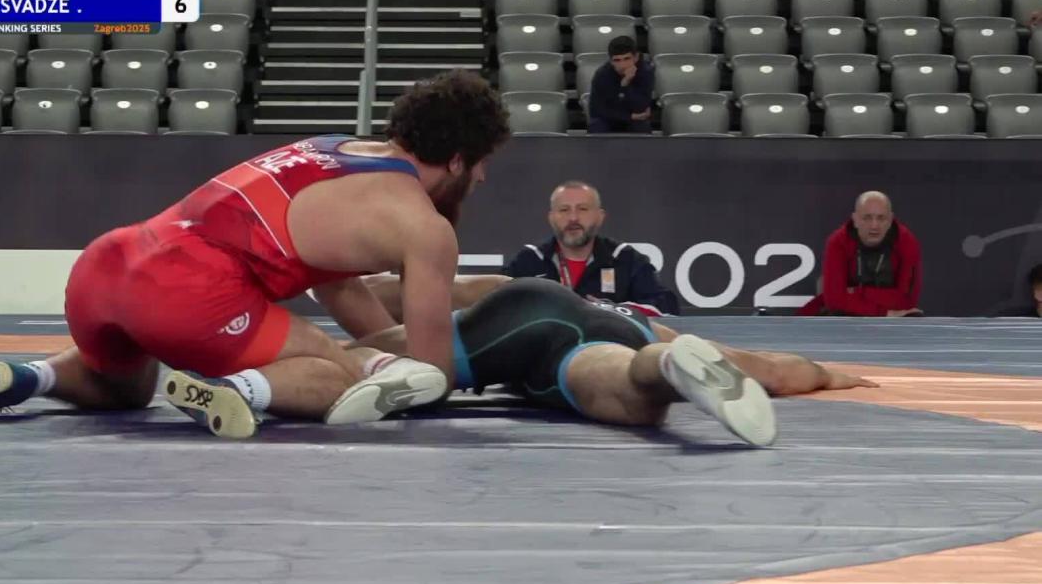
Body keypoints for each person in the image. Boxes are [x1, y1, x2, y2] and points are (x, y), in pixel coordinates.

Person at [0, 70, 512, 438]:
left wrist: (375, 347)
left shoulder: (331, 148)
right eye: (483, 165)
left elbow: (339, 285)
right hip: (191, 291)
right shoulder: (424, 227)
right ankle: (236, 390)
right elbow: (431, 372)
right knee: (341, 376)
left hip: (110, 264)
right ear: (459, 160)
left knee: (125, 389)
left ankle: (28, 377)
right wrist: (375, 364)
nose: (484, 180)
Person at [348, 278, 878, 446]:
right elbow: (772, 371)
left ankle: (370, 364)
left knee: (357, 360)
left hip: (522, 310)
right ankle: (669, 366)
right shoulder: (644, 322)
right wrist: (827, 375)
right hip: (621, 340)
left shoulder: (532, 286)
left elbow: (437, 291)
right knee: (634, 391)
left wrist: (351, 290)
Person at [501, 180, 679, 315]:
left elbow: (666, 307)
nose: (573, 218)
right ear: (551, 217)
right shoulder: (530, 260)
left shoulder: (625, 259)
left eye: (583, 209)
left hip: (608, 347)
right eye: (564, 210)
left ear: (600, 217)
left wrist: (613, 310)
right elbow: (497, 306)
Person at [797, 190, 923, 317]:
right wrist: (885, 313)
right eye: (867, 218)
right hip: (844, 316)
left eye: (881, 218)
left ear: (890, 220)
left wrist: (859, 292)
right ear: (855, 219)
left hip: (882, 316)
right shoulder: (838, 242)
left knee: (913, 316)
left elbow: (907, 300)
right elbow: (834, 301)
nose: (874, 225)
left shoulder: (907, 242)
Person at [587, 36, 655, 134]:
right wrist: (629, 116)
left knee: (642, 126)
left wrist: (626, 85)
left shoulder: (645, 72)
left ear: (636, 57)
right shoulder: (602, 75)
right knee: (596, 125)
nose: (622, 65)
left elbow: (641, 108)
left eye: (627, 58)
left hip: (634, 120)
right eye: (617, 60)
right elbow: (597, 110)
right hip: (609, 119)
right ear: (611, 61)